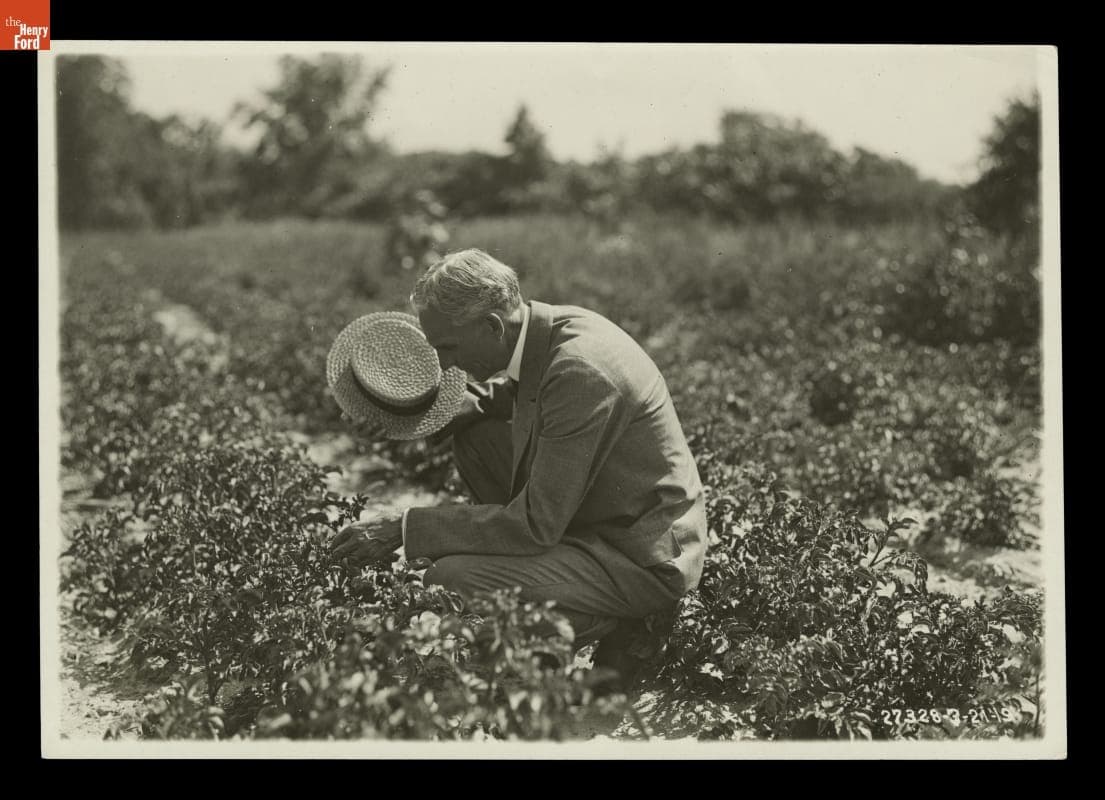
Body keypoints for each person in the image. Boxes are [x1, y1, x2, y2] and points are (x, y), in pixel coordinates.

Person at [329, 249, 707, 688]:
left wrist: (404, 528)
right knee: (476, 437)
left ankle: (618, 620)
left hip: (639, 556)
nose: (446, 364)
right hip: (604, 515)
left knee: (449, 577)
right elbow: (510, 391)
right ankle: (556, 587)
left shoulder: (579, 370)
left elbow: (534, 524)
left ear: (490, 326)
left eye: (448, 347)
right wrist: (421, 415)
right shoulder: (546, 330)